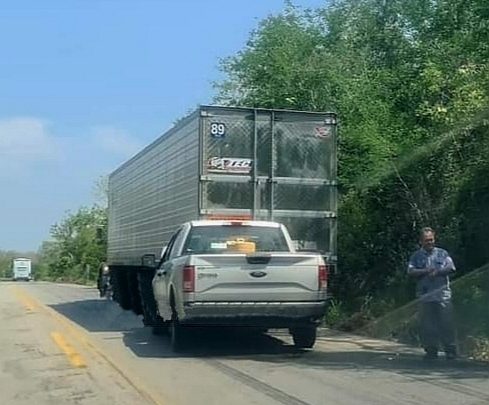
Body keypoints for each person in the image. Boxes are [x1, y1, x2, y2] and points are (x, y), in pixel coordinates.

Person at [408, 227, 457, 360]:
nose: (430, 242)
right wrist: (425, 271)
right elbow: (411, 271)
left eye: (431, 240)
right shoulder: (416, 256)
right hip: (425, 296)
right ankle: (431, 350)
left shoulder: (442, 253)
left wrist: (438, 272)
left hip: (443, 295)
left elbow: (451, 267)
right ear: (421, 241)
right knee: (427, 325)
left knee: (446, 323)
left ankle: (450, 350)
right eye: (427, 240)